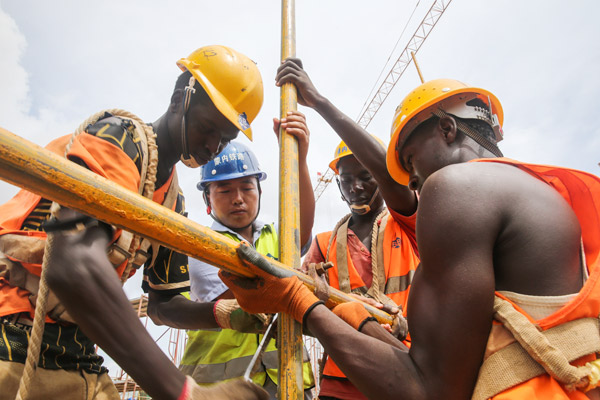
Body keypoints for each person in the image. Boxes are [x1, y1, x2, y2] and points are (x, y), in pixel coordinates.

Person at [220, 75, 600, 399]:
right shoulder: (544, 191)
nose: (412, 180)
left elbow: (427, 390)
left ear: (447, 129)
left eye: (411, 161)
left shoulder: (457, 190)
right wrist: (356, 316)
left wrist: (298, 303)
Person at [0, 45, 269, 400]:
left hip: (76, 345)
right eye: (208, 128)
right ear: (178, 100)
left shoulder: (172, 201)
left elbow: (163, 304)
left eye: (226, 138)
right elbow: (72, 263)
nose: (212, 146)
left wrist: (222, 313)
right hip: (15, 327)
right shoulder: (118, 138)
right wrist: (185, 392)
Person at [277, 58, 418, 399]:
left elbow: (394, 181)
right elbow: (304, 313)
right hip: (343, 378)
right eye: (347, 180)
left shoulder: (410, 224)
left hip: (408, 368)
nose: (355, 187)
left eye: (365, 176)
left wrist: (320, 102)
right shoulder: (325, 244)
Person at [149, 131, 315, 399]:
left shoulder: (276, 236)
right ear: (208, 199)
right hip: (221, 386)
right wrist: (288, 281)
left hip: (288, 380)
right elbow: (241, 296)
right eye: (224, 190)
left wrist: (301, 159)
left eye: (247, 188)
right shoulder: (198, 245)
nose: (238, 198)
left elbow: (302, 231)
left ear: (260, 191)